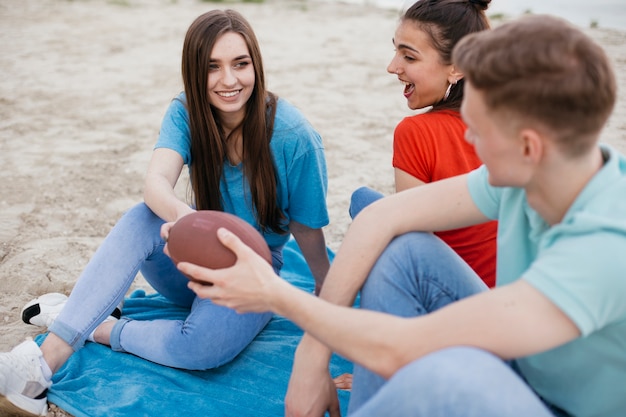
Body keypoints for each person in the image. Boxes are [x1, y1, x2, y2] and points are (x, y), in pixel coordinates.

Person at [183, 14, 626, 417]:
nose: (468, 137)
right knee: (403, 246)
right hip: (528, 368)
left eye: (478, 129)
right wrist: (310, 360)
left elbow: (403, 350)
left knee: (447, 376)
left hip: (561, 407)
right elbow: (382, 218)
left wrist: (276, 295)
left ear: (529, 147)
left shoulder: (605, 247)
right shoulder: (537, 170)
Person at [0, 9, 331, 417]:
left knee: (200, 349)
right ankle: (41, 365)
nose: (229, 80)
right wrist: (185, 220)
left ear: (256, 65)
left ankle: (89, 323)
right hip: (193, 255)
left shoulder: (295, 136)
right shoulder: (186, 111)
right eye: (213, 67)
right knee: (144, 216)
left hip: (253, 273)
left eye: (240, 64)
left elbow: (308, 227)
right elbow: (156, 183)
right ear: (194, 72)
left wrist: (326, 292)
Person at [350, 0, 497, 288]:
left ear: (456, 68)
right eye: (396, 51)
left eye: (409, 57)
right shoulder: (507, 121)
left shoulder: (416, 132)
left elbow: (412, 241)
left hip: (457, 296)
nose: (393, 67)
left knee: (363, 202)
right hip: (512, 293)